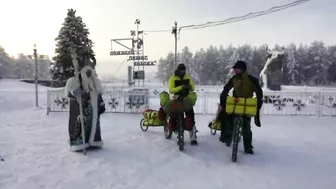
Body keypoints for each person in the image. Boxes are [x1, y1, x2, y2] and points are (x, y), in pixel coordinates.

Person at [218, 60, 263, 154]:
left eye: (236, 69)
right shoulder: (234, 79)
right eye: (234, 70)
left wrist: (258, 102)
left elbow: (259, 92)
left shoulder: (251, 80)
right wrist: (223, 99)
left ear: (242, 69)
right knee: (227, 120)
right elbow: (226, 89)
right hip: (235, 103)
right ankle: (226, 138)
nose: (234, 71)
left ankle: (248, 147)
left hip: (246, 105)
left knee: (246, 127)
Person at [64, 63, 106, 152]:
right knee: (80, 127)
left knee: (93, 127)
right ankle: (79, 143)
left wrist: (101, 104)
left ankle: (94, 142)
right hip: (80, 111)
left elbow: (98, 94)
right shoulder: (74, 82)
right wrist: (74, 92)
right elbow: (68, 93)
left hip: (93, 111)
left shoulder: (95, 82)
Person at [167, 63, 198, 145]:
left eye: (184, 70)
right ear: (178, 70)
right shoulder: (173, 78)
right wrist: (181, 87)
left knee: (191, 117)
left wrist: (190, 87)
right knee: (174, 116)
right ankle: (174, 130)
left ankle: (193, 138)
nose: (183, 72)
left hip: (186, 99)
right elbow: (171, 90)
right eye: (181, 70)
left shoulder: (187, 77)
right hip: (176, 99)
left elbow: (193, 88)